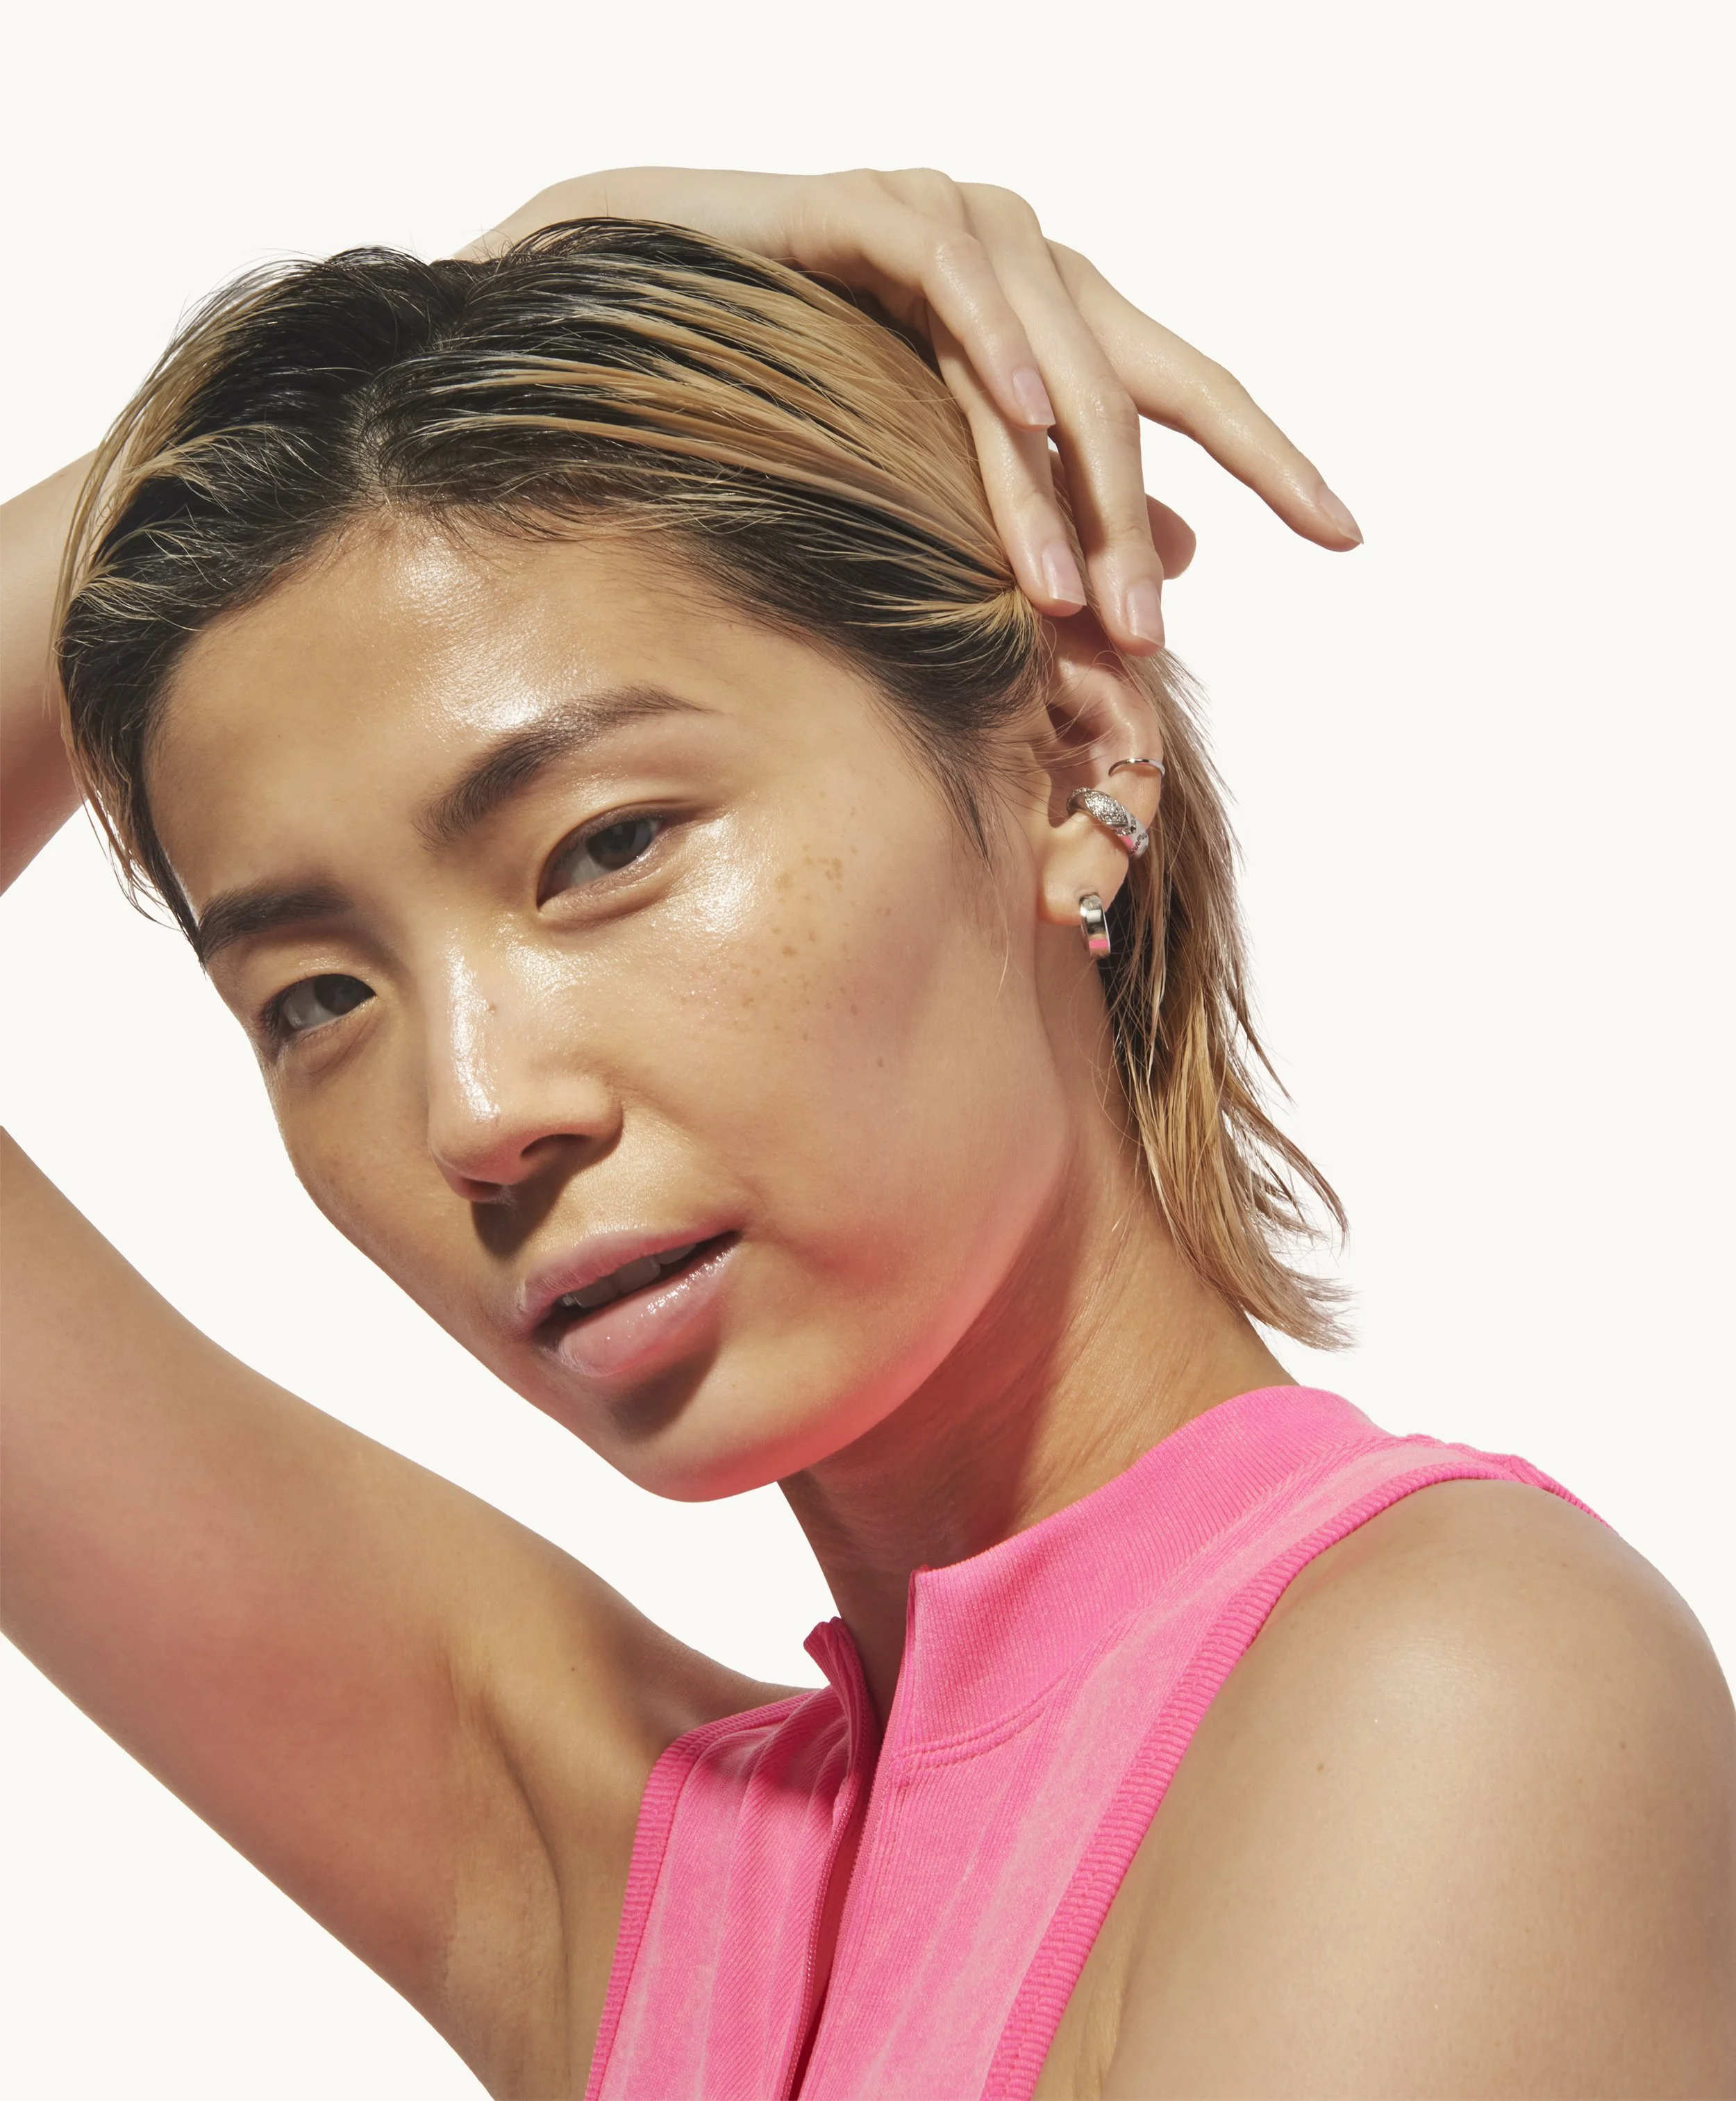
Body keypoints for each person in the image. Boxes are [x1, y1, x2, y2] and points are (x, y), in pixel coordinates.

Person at [1, 170, 1730, 2101]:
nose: (476, 1110)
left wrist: (530, 328)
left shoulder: (1441, 1691)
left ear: (1069, 762)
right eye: (317, 998)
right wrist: (469, 309)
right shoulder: (648, 1895)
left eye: (605, 847)